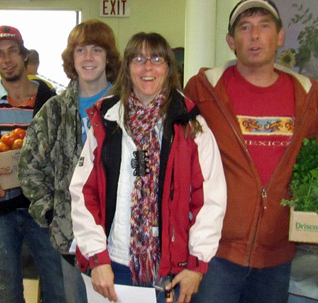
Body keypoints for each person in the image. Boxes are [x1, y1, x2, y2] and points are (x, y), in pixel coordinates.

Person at [183, 1, 318, 302]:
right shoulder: (204, 88)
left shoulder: (305, 91)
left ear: (280, 35)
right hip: (215, 251)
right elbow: (181, 160)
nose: (255, 35)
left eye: (264, 26)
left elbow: (315, 161)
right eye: (245, 28)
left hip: (277, 253)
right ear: (231, 41)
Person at [69, 32, 227, 303]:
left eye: (156, 58)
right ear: (127, 69)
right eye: (138, 59)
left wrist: (196, 264)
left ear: (168, 67)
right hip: (113, 264)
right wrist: (97, 258)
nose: (148, 67)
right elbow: (83, 194)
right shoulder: (106, 121)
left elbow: (211, 200)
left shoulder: (191, 125)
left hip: (171, 270)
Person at [0, 25, 66, 303]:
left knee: (56, 286)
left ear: (25, 55)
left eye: (13, 51)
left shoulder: (50, 101)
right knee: (7, 291)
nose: (7, 60)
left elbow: (64, 148)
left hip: (43, 210)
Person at [19, 19, 121, 303]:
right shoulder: (54, 110)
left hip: (120, 237)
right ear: (71, 58)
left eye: (97, 50)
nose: (88, 58)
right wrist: (51, 213)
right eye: (80, 50)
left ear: (109, 57)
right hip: (71, 238)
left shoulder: (127, 106)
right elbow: (29, 167)